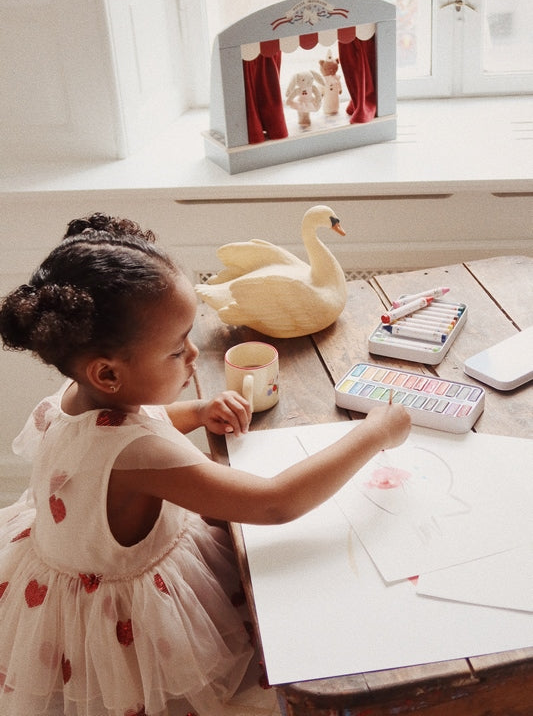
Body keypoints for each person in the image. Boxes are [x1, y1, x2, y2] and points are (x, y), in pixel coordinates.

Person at [0, 214, 411, 716]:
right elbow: (273, 502)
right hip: (128, 621)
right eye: (177, 350)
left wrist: (195, 412)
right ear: (108, 372)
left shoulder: (68, 399)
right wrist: (372, 433)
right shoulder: (138, 456)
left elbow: (124, 432)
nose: (195, 354)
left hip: (61, 580)